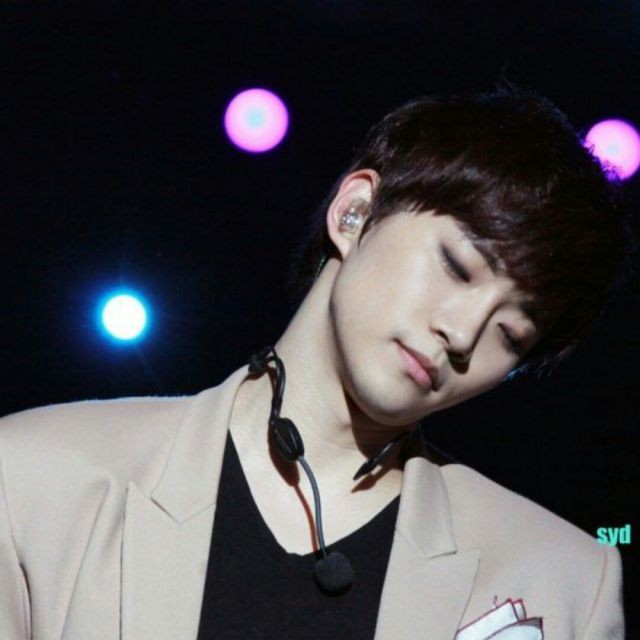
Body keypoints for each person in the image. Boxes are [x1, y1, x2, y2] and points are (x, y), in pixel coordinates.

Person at [0, 80, 635, 640]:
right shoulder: (35, 478)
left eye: (512, 335)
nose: (464, 334)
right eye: (457, 266)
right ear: (355, 212)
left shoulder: (561, 581)